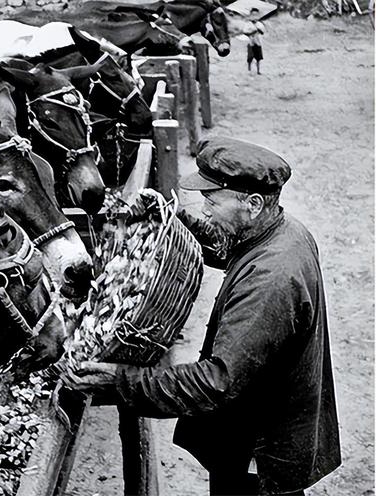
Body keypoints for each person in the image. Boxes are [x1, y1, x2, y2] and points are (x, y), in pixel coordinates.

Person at [62, 137, 341, 496]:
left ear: (253, 204)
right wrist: (171, 219)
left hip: (258, 453)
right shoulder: (283, 232)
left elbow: (215, 381)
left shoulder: (270, 279)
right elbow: (230, 246)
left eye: (212, 200)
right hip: (261, 429)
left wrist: (121, 381)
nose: (206, 209)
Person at [244, 8, 265, 74]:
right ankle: (249, 69)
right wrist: (252, 32)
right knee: (250, 57)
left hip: (258, 42)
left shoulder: (260, 24)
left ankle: (258, 70)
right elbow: (245, 32)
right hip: (250, 43)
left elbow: (262, 32)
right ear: (250, 15)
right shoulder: (248, 24)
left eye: (256, 15)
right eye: (253, 15)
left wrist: (259, 30)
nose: (254, 17)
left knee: (258, 58)